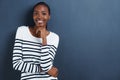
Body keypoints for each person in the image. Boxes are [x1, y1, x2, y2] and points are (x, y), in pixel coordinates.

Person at [12, 2, 59, 80]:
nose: (39, 17)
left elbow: (45, 65)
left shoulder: (54, 37)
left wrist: (44, 39)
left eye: (44, 13)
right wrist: (45, 70)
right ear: (33, 16)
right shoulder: (22, 31)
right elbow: (16, 64)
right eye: (36, 13)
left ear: (49, 16)